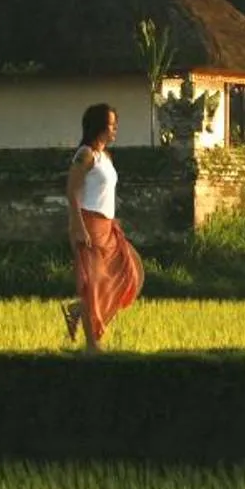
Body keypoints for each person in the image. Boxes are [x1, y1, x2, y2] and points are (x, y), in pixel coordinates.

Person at [62, 103, 144, 352]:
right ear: (97, 126)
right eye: (110, 124)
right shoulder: (85, 154)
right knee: (93, 285)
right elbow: (71, 191)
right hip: (89, 223)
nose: (114, 128)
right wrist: (78, 226)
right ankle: (92, 345)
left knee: (131, 274)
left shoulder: (106, 156)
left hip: (108, 227)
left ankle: (78, 310)